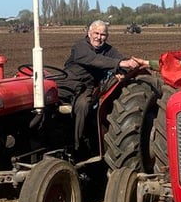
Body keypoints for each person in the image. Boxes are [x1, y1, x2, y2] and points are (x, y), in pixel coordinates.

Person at [58, 20, 142, 151]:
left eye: (103, 34)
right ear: (89, 33)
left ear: (107, 36)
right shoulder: (80, 46)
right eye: (96, 33)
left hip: (86, 87)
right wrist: (119, 64)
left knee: (83, 105)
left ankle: (77, 146)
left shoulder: (108, 50)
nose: (98, 37)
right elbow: (93, 59)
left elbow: (122, 60)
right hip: (68, 81)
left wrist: (121, 70)